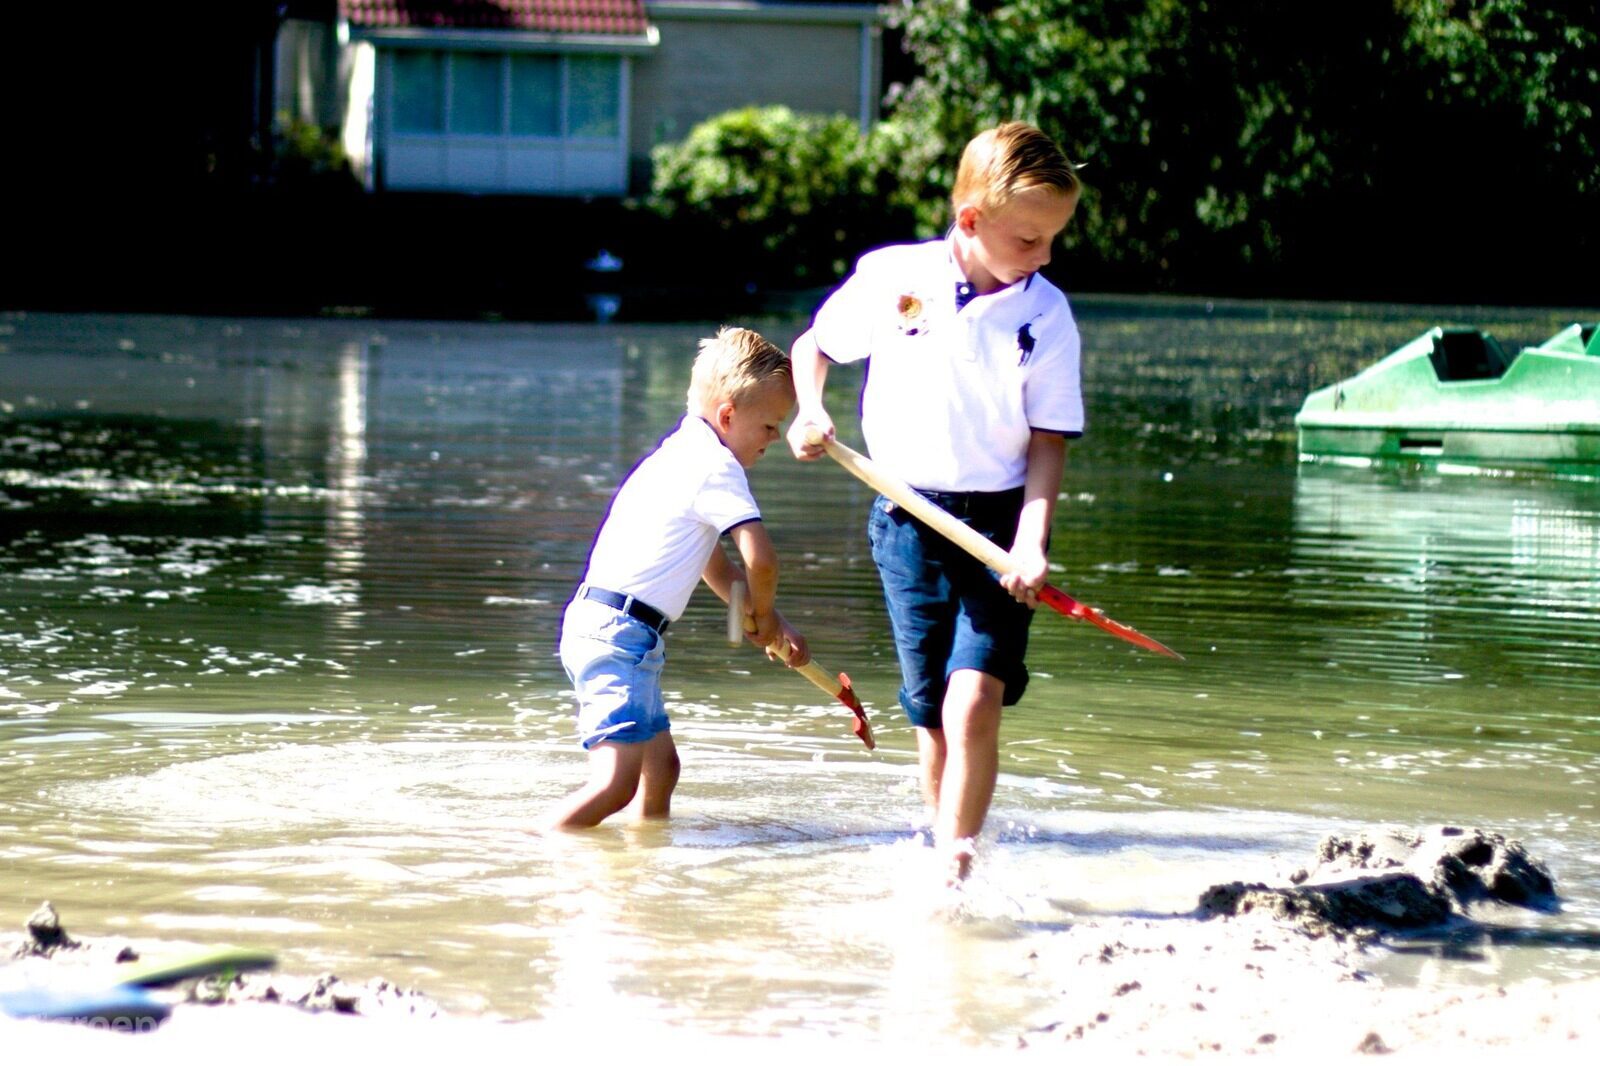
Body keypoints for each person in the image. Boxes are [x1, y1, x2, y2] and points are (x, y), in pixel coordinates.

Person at [786, 122, 1083, 882]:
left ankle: (954, 874)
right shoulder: (895, 278)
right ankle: (947, 851)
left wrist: (1033, 543)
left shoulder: (1045, 315)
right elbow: (813, 348)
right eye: (1029, 239)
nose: (1044, 257)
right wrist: (812, 412)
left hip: (1000, 528)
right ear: (972, 221)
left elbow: (1049, 440)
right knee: (932, 720)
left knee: (973, 702)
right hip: (904, 517)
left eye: (1053, 239)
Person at [545, 326, 810, 830]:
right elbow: (762, 560)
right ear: (728, 415)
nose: (774, 440)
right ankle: (531, 846)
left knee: (661, 770)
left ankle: (646, 866)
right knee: (614, 785)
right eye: (771, 426)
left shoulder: (681, 454)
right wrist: (766, 615)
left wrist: (757, 623)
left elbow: (714, 564)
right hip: (615, 635)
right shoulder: (716, 467)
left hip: (624, 634)